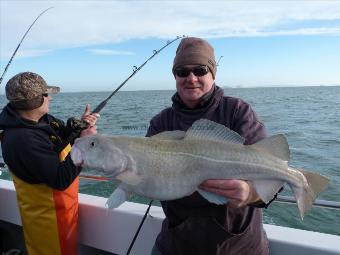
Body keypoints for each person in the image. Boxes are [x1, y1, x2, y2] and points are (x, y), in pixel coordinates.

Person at [146, 37, 277, 255]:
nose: (191, 78)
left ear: (213, 73)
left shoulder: (237, 111)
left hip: (237, 247)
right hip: (178, 243)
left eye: (200, 70)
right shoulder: (161, 123)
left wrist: (249, 192)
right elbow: (147, 174)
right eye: (182, 72)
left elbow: (273, 175)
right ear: (175, 76)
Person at [0, 72, 99, 255]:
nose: (50, 98)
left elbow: (61, 138)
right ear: (36, 101)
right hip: (48, 222)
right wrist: (85, 145)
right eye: (46, 95)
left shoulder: (42, 120)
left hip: (64, 212)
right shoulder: (22, 139)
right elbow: (60, 179)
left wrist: (79, 126)